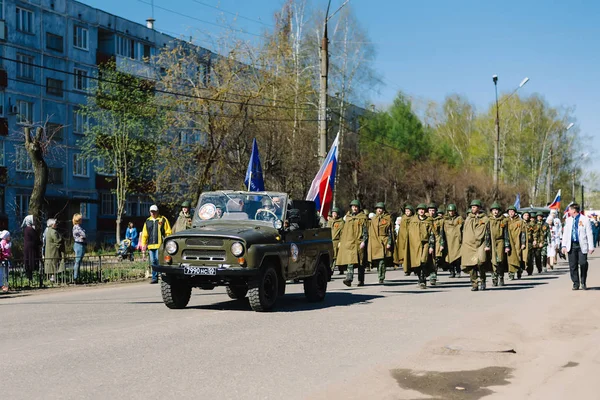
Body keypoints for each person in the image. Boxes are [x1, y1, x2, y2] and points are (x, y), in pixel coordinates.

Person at [561, 203, 594, 290]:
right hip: (571, 245)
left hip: (581, 245)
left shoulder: (585, 220)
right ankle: (576, 283)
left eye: (569, 210)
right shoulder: (568, 220)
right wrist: (563, 245)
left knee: (583, 263)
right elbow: (565, 234)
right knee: (573, 265)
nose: (568, 211)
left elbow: (589, 234)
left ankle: (583, 281)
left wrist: (591, 246)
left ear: (574, 210)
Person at [461, 200, 491, 291]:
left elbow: (487, 232)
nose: (473, 208)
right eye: (472, 207)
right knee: (471, 265)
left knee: (480, 263)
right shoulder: (468, 218)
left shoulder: (485, 219)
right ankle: (474, 283)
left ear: (479, 208)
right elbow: (465, 232)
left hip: (481, 245)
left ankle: (483, 281)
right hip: (469, 245)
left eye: (474, 207)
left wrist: (487, 244)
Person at [337, 200, 368, 287]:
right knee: (350, 261)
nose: (354, 208)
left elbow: (365, 231)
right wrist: (341, 242)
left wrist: (364, 241)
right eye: (353, 207)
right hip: (350, 243)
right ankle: (349, 279)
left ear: (358, 208)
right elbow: (344, 231)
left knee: (360, 263)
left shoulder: (363, 218)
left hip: (359, 243)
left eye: (356, 207)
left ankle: (361, 280)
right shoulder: (348, 218)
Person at [141, 205, 172, 284]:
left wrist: (168, 243)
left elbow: (168, 232)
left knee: (159, 261)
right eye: (151, 212)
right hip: (151, 245)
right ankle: (154, 278)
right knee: (153, 261)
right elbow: (145, 234)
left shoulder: (163, 219)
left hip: (160, 245)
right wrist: (143, 244)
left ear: (157, 211)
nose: (153, 213)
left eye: (154, 211)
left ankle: (163, 277)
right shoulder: (147, 221)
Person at [407, 203, 435, 289]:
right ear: (417, 211)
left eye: (423, 209)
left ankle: (423, 280)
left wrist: (431, 246)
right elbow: (410, 234)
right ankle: (419, 278)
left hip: (425, 244)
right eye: (420, 210)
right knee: (417, 263)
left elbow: (431, 234)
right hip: (415, 246)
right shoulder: (413, 221)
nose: (421, 211)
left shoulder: (429, 221)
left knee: (423, 262)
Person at [367, 202, 393, 284]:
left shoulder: (387, 218)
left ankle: (381, 277)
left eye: (381, 208)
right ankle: (379, 272)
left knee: (382, 260)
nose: (379, 210)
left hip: (384, 241)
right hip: (375, 241)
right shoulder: (373, 219)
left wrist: (389, 242)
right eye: (378, 208)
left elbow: (390, 232)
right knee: (377, 260)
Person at [488, 202, 510, 287]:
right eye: (494, 210)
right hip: (491, 242)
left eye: (497, 210)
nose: (495, 212)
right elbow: (486, 233)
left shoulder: (503, 220)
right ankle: (494, 279)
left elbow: (506, 233)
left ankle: (501, 277)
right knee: (492, 261)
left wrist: (507, 245)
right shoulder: (488, 220)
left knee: (500, 260)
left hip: (500, 241)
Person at [443, 204, 463, 278]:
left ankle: (458, 271)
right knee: (449, 257)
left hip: (457, 240)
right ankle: (452, 271)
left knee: (457, 257)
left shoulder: (459, 218)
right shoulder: (445, 220)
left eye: (452, 211)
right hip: (448, 240)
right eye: (450, 211)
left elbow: (462, 228)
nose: (451, 212)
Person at [428, 203, 445, 286]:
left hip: (437, 240)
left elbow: (442, 232)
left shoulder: (439, 220)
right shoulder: (426, 219)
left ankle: (433, 276)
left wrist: (442, 244)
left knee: (435, 259)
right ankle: (423, 277)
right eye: (430, 210)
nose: (431, 212)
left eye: (433, 210)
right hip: (426, 240)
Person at [394, 205, 414, 276]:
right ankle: (406, 270)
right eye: (406, 211)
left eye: (408, 211)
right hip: (403, 239)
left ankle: (413, 268)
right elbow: (401, 230)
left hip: (412, 239)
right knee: (404, 255)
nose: (407, 212)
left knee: (412, 255)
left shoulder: (414, 219)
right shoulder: (403, 218)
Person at [506, 206, 525, 280]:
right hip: (509, 241)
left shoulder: (520, 222)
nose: (511, 213)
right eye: (510, 211)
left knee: (517, 257)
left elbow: (523, 233)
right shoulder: (506, 221)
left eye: (512, 211)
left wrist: (523, 243)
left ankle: (519, 271)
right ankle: (511, 274)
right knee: (509, 257)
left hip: (517, 242)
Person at [44, 219, 65, 283]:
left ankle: (51, 278)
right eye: (55, 223)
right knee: (54, 265)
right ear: (52, 224)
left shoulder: (48, 231)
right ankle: (53, 279)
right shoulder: (54, 232)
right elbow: (58, 240)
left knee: (50, 265)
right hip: (53, 251)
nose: (56, 224)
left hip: (49, 251)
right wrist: (62, 240)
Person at [22, 214, 40, 282]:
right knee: (30, 262)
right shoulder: (30, 229)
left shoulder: (27, 229)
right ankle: (30, 277)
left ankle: (30, 276)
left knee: (29, 262)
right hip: (31, 249)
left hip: (30, 248)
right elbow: (35, 238)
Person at [328, 207, 345, 275]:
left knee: (336, 256)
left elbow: (342, 233)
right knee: (330, 256)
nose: (334, 215)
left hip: (336, 241)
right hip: (329, 241)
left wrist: (341, 241)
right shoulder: (329, 222)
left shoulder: (341, 223)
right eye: (333, 213)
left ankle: (333, 269)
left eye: (335, 213)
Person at [72, 213, 87, 283]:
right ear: (78, 220)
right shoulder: (76, 227)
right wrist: (83, 236)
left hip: (81, 244)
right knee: (77, 261)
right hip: (79, 244)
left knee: (78, 261)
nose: (82, 220)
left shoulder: (78, 227)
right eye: (81, 219)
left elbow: (83, 235)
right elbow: (83, 234)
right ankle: (75, 278)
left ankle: (77, 277)